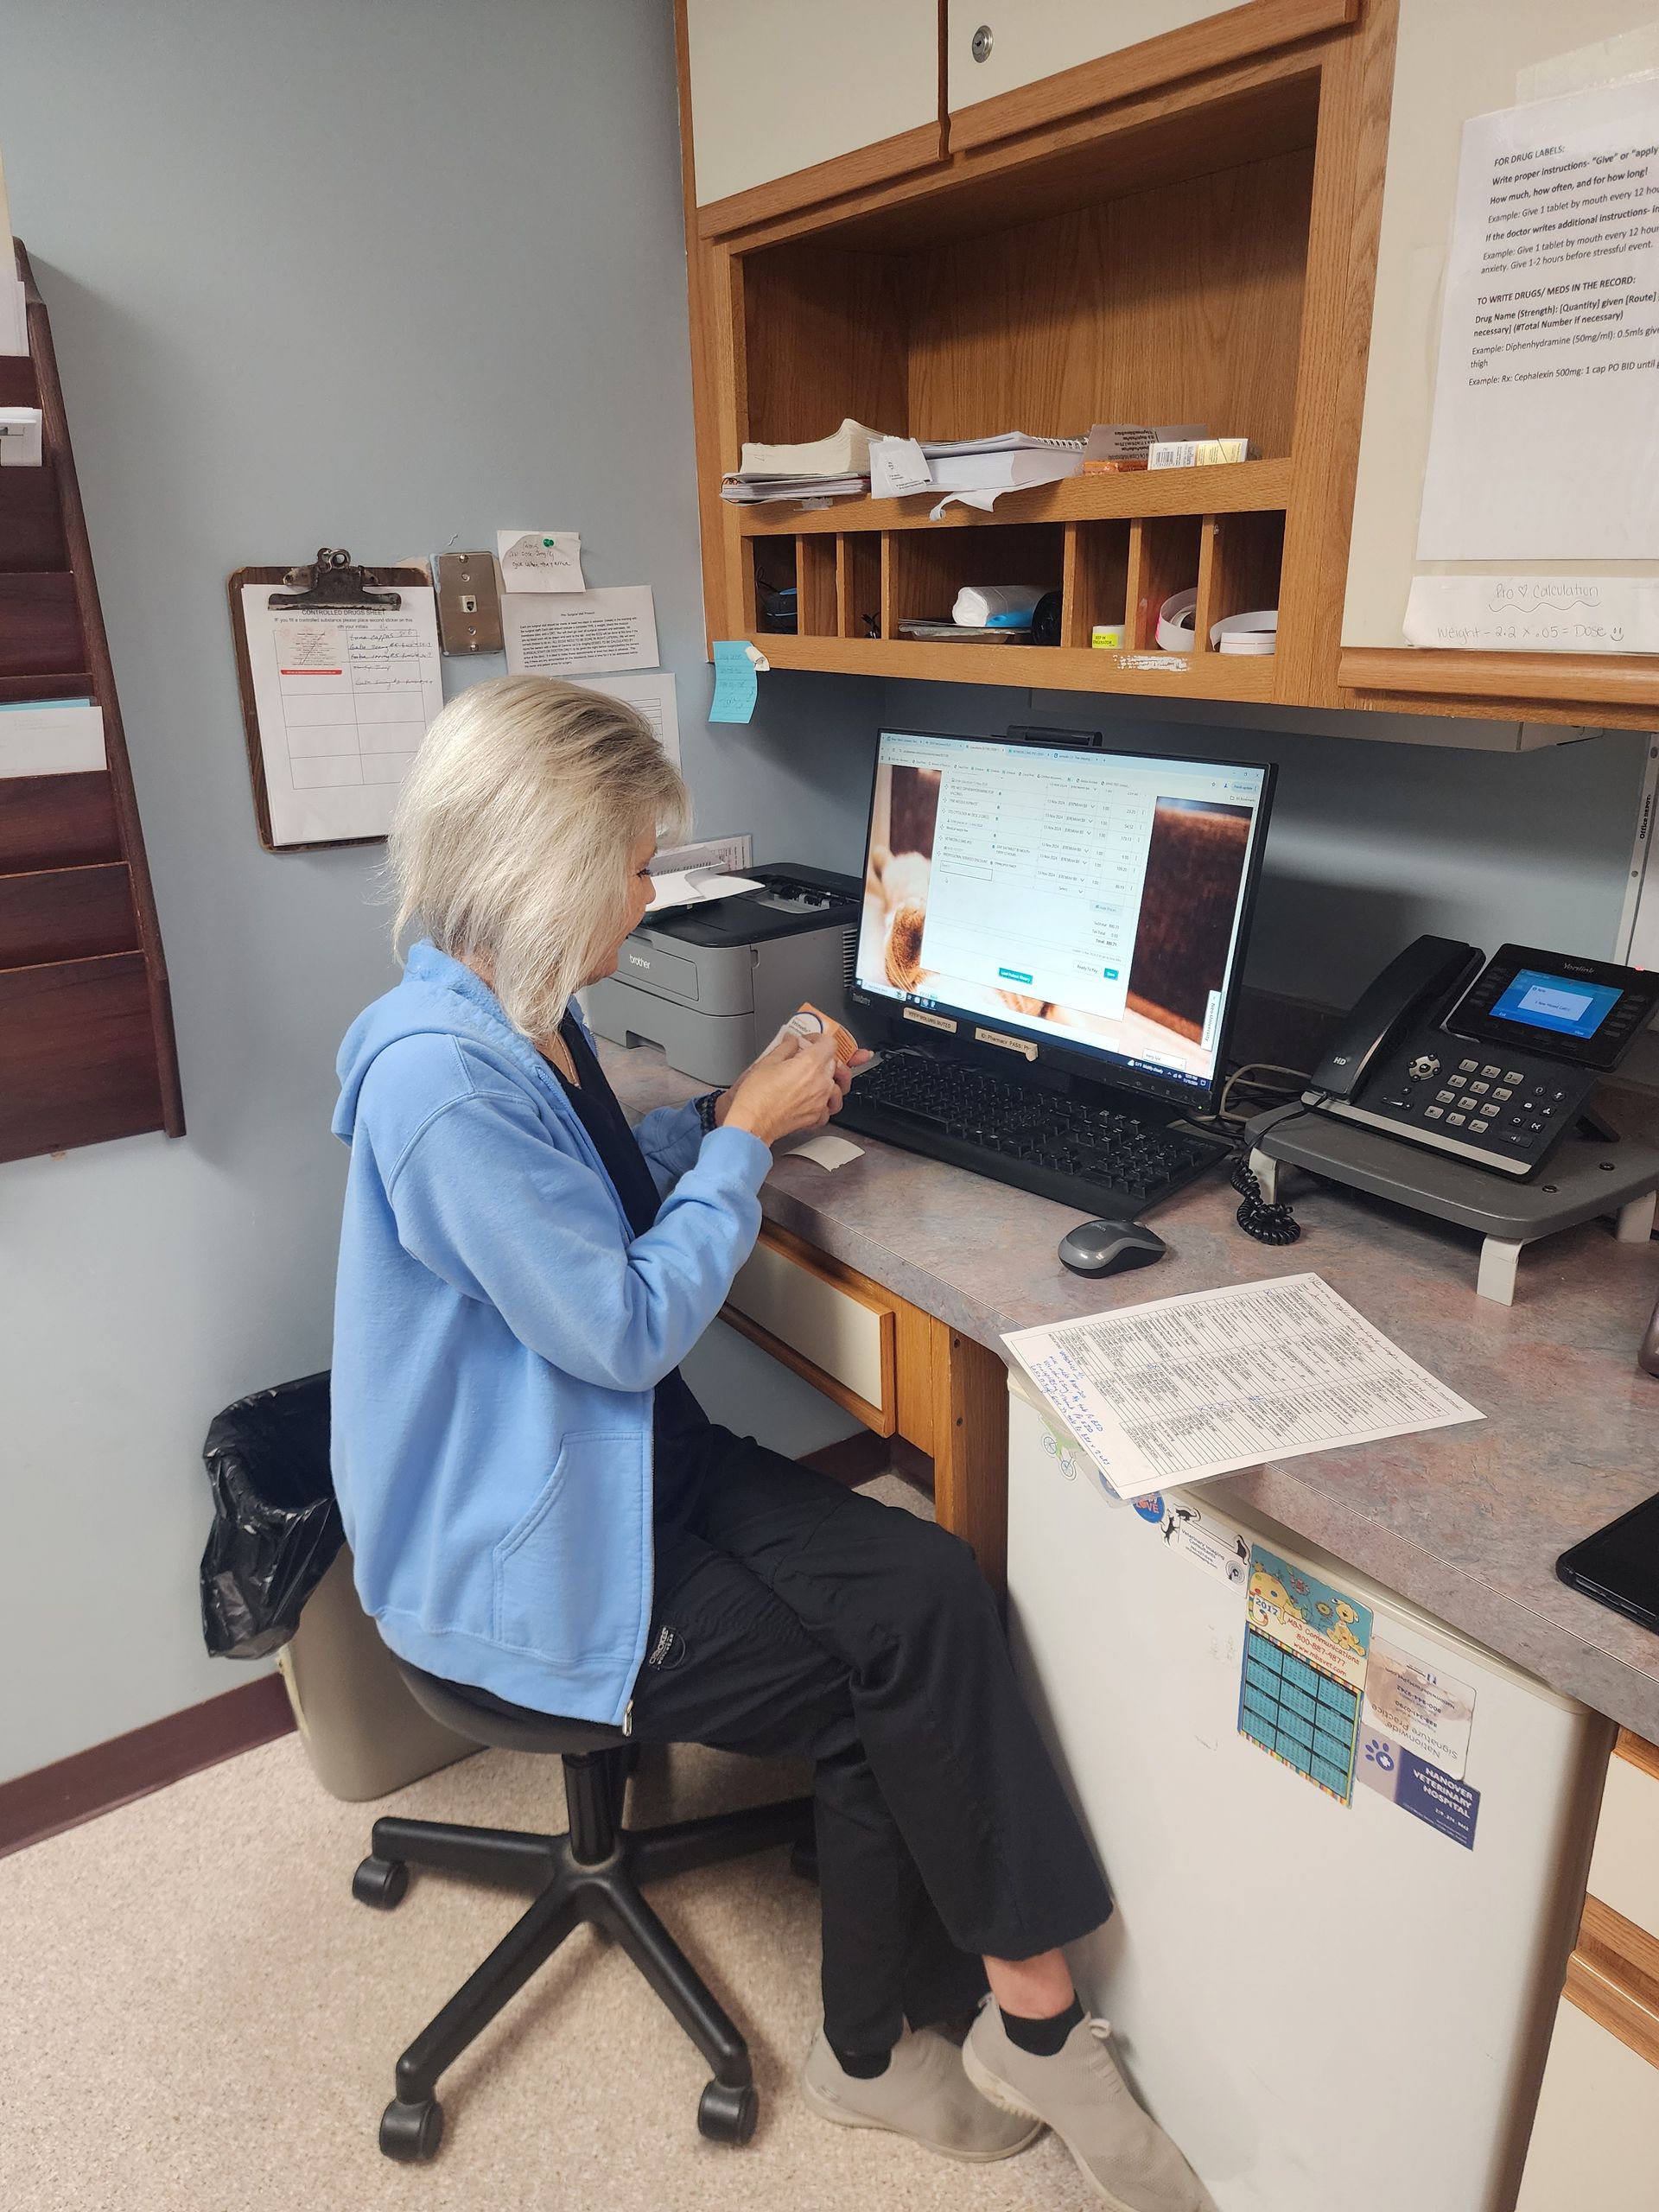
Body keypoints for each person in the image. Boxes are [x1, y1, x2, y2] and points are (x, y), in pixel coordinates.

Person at [330, 676, 1214, 2212]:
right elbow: (616, 1323)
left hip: (618, 1470)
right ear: (541, 862)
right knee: (891, 1685)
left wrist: (728, 1118)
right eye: (629, 864)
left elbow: (592, 1189)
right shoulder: (434, 1083)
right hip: (525, 1554)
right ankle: (918, 2045)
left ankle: (1024, 2014)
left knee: (932, 1590)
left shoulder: (520, 1014)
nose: (645, 895)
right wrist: (741, 1149)